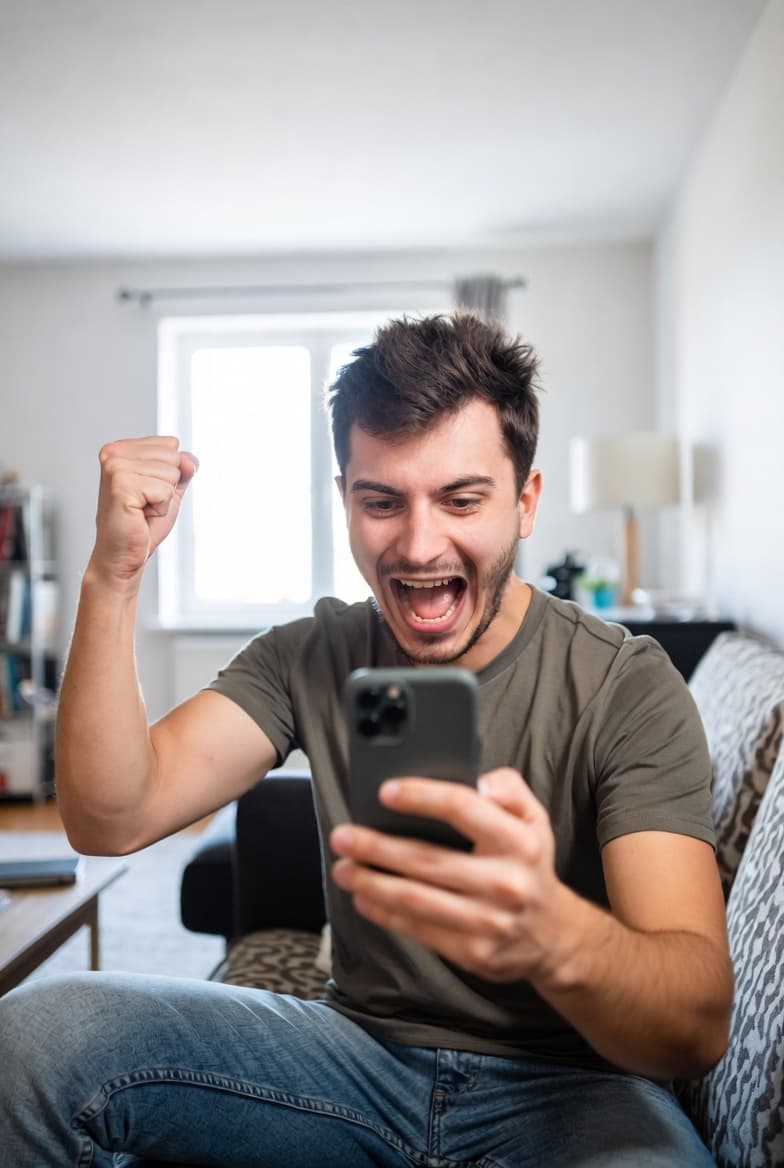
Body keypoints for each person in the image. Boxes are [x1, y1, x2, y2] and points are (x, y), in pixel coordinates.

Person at [0, 313, 732, 1167]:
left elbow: (697, 1023)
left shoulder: (627, 684)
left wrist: (550, 933)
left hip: (576, 1090)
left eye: (462, 499)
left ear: (526, 503)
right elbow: (110, 818)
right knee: (35, 1039)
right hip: (348, 1064)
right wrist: (112, 576)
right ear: (345, 499)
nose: (420, 548)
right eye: (382, 501)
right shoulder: (311, 655)